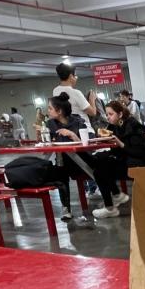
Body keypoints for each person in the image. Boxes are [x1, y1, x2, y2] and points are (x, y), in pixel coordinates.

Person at [89, 100, 145, 218]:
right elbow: (116, 150)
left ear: (120, 114)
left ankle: (112, 204)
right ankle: (115, 198)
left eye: (110, 114)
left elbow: (138, 152)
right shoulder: (114, 127)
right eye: (107, 115)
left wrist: (119, 143)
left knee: (101, 170)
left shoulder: (133, 125)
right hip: (125, 161)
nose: (108, 117)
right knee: (99, 163)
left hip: (139, 164)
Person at [46, 92, 90, 221]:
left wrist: (72, 135)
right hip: (63, 160)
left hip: (81, 160)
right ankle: (66, 208)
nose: (48, 111)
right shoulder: (50, 124)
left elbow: (85, 143)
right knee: (59, 171)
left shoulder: (78, 121)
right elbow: (50, 142)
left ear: (59, 111)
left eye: (50, 108)